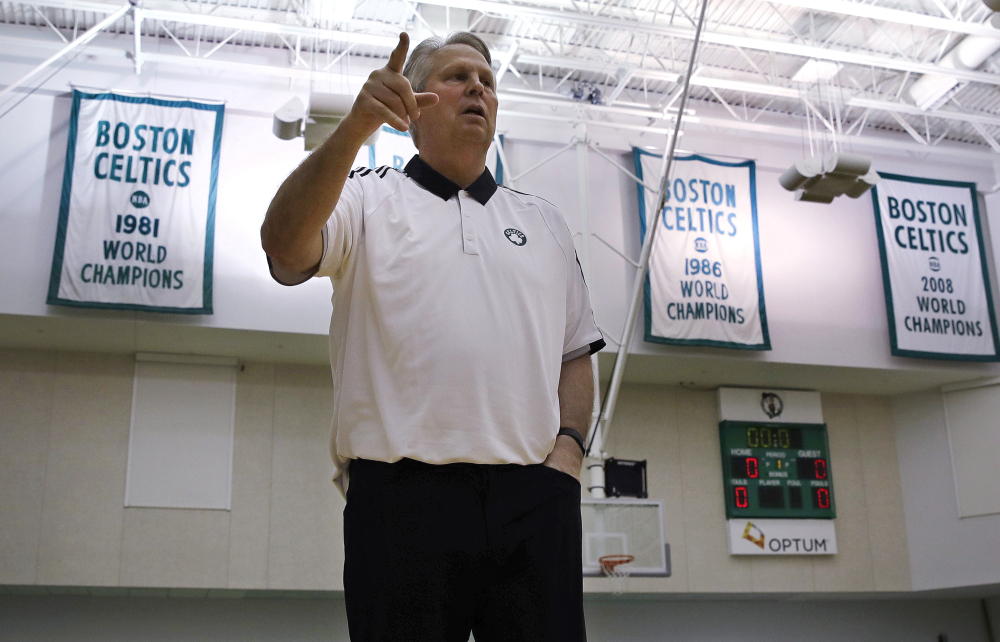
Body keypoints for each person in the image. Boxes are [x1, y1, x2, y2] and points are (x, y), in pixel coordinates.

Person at [260, 30, 604, 642]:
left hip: (534, 496)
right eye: (455, 76)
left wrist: (570, 452)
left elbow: (576, 355)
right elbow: (284, 248)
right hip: (400, 500)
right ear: (414, 103)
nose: (477, 86)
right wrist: (354, 128)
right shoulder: (364, 197)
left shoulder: (545, 222)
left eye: (487, 81)